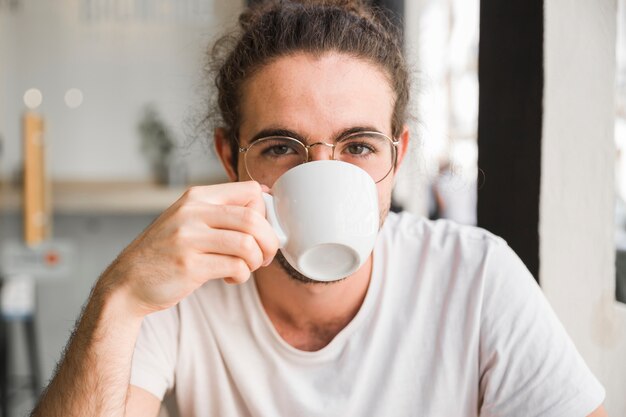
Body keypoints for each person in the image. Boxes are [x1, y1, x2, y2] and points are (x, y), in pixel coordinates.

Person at [31, 1, 607, 416]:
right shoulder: (184, 288)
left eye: (358, 146)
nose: (321, 175)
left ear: (397, 157)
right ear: (231, 159)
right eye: (281, 147)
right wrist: (120, 295)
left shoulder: (476, 276)